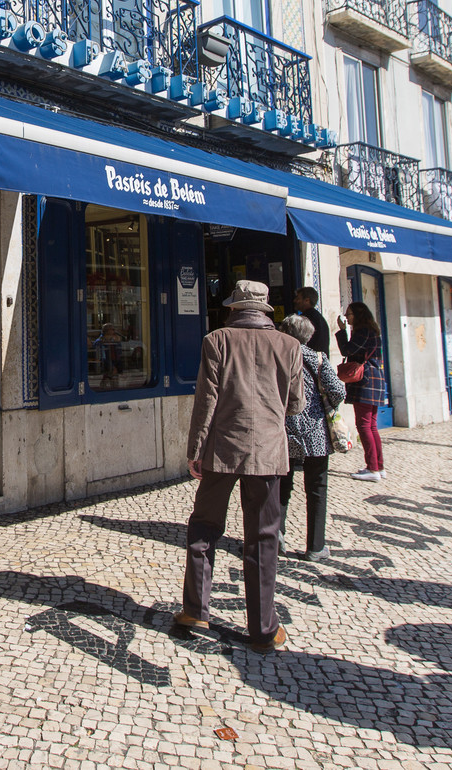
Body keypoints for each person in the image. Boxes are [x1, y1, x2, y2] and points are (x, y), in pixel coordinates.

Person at [177, 279, 304, 653]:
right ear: (265, 310)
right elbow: (295, 405)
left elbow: (206, 401)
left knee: (204, 526)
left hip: (222, 451)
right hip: (268, 453)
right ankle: (263, 628)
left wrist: (195, 450)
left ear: (234, 307)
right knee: (263, 538)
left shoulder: (216, 340)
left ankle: (196, 609)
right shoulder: (290, 345)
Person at [277, 313, 346, 561]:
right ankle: (315, 547)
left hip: (283, 430)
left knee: (281, 485)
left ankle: (277, 538)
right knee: (317, 488)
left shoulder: (277, 358)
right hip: (315, 430)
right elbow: (338, 390)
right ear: (308, 336)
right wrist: (325, 403)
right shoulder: (318, 359)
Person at [336, 301, 386, 481]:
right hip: (375, 379)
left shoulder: (363, 331)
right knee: (371, 426)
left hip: (366, 381)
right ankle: (378, 466)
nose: (347, 318)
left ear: (357, 315)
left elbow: (347, 349)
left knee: (364, 426)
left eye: (349, 314)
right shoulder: (373, 330)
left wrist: (342, 331)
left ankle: (372, 469)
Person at [292, 286, 331, 358]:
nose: (295, 301)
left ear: (307, 300)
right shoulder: (318, 317)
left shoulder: (306, 319)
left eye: (298, 298)